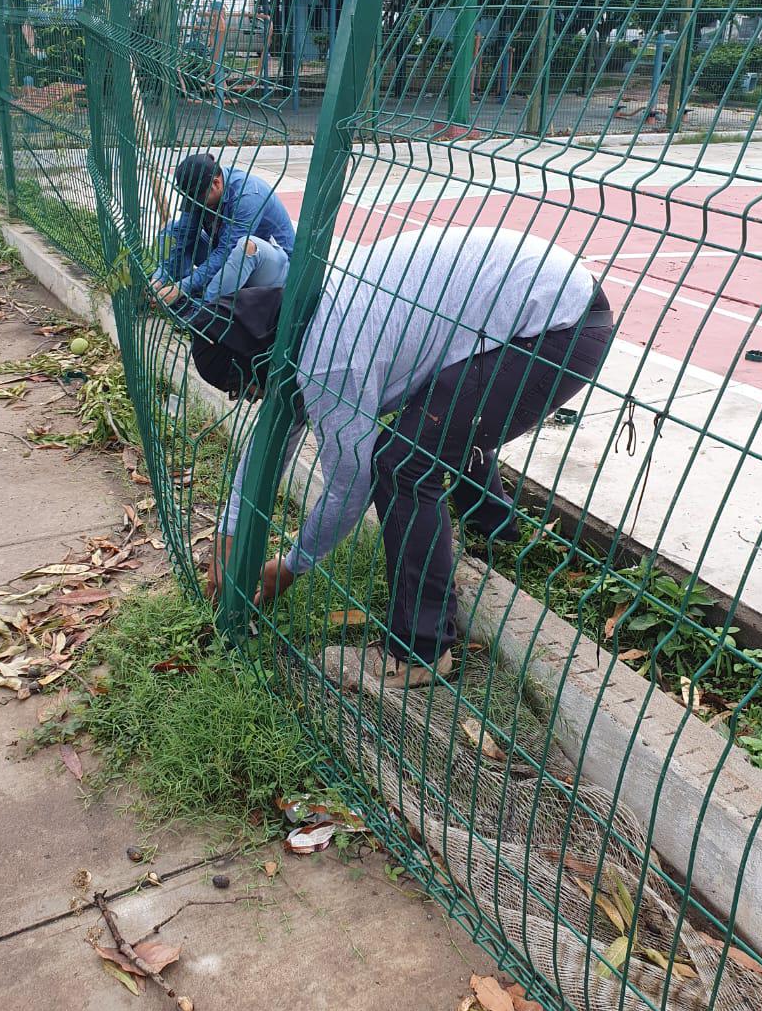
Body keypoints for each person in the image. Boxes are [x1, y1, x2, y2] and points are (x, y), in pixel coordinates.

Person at [194, 224, 613, 690]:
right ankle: (495, 531)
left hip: (558, 330)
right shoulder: (293, 313)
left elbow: (349, 486)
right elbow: (270, 446)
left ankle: (424, 649)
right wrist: (228, 536)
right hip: (531, 301)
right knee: (444, 416)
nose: (251, 399)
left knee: (404, 463)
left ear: (258, 364)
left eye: (243, 389)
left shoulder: (328, 362)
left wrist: (291, 567)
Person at [151, 152, 295, 307]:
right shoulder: (199, 191)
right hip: (232, 262)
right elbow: (184, 235)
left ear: (216, 183)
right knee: (173, 229)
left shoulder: (248, 195)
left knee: (246, 245)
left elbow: (226, 252)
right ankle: (179, 291)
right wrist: (161, 277)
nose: (194, 202)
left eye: (198, 197)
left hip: (272, 270)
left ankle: (204, 309)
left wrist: (183, 287)